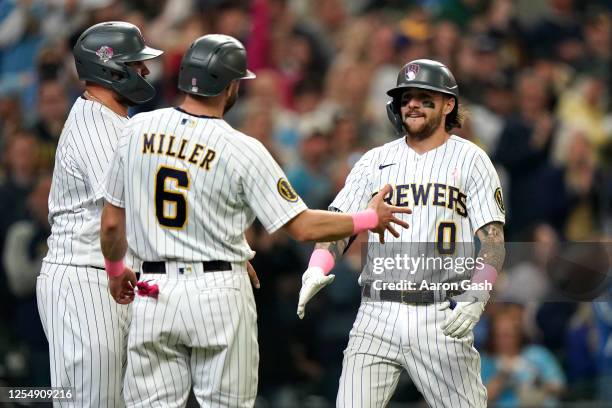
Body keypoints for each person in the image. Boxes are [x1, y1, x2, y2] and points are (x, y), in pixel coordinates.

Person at [99, 34, 411, 407]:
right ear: (229, 86)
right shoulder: (241, 148)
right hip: (218, 293)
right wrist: (367, 217)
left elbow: (112, 223)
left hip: (152, 290)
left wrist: (117, 270)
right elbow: (302, 227)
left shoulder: (136, 129)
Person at [297, 59, 507, 407]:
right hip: (376, 313)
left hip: (440, 314)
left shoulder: (472, 159)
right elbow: (340, 224)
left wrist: (477, 295)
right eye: (406, 97)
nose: (412, 103)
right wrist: (318, 265)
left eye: (424, 96)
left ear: (447, 104)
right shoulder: (373, 160)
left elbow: (494, 241)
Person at [36, 21, 163, 407]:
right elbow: (126, 210)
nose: (144, 70)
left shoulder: (118, 123)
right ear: (109, 67)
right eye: (136, 62)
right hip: (85, 278)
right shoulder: (94, 123)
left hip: (112, 278)